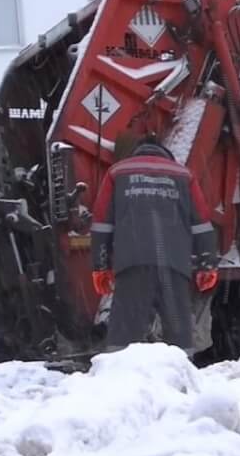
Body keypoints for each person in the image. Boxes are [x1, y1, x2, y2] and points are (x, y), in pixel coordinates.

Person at [90, 137, 218, 352]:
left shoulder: (117, 173)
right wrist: (208, 265)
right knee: (179, 333)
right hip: (174, 266)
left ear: (137, 152)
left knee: (124, 335)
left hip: (131, 264)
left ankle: (120, 377)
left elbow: (102, 223)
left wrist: (100, 267)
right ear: (166, 154)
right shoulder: (183, 175)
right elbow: (202, 223)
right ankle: (179, 377)